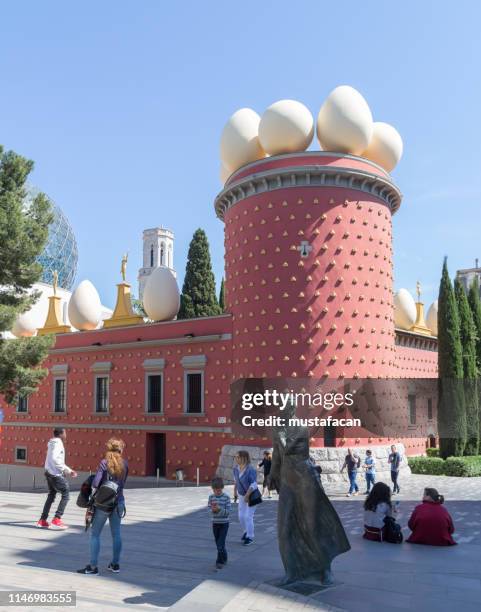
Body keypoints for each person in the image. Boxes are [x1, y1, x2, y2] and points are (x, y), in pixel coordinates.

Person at [77, 438, 129, 575]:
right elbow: (123, 483)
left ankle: (93, 567)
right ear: (121, 450)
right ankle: (115, 564)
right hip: (118, 502)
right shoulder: (124, 464)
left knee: (95, 534)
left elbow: (95, 483)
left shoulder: (104, 463)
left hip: (102, 504)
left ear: (108, 449)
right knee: (116, 534)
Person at [37, 428, 77, 530]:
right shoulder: (58, 443)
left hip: (49, 473)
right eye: (65, 433)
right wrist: (66, 470)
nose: (66, 435)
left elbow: (54, 459)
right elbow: (55, 459)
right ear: (60, 434)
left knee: (51, 496)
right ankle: (57, 519)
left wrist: (68, 470)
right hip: (55, 474)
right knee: (66, 494)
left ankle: (42, 520)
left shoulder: (52, 443)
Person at [233, 450, 258, 546]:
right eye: (235, 457)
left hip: (252, 495)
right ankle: (245, 531)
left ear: (244, 458)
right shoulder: (235, 469)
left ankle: (250, 537)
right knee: (241, 516)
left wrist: (247, 495)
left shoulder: (250, 470)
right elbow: (236, 481)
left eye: (238, 457)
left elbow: (254, 484)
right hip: (241, 494)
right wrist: (235, 492)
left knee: (248, 516)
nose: (236, 459)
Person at [208, 477, 231, 569]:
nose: (217, 492)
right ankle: (224, 557)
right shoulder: (211, 497)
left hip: (224, 523)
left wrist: (219, 509)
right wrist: (213, 511)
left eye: (219, 490)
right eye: (215, 490)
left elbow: (228, 512)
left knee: (220, 544)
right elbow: (208, 511)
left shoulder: (226, 497)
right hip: (215, 523)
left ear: (222, 488)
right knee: (218, 543)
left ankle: (219, 561)